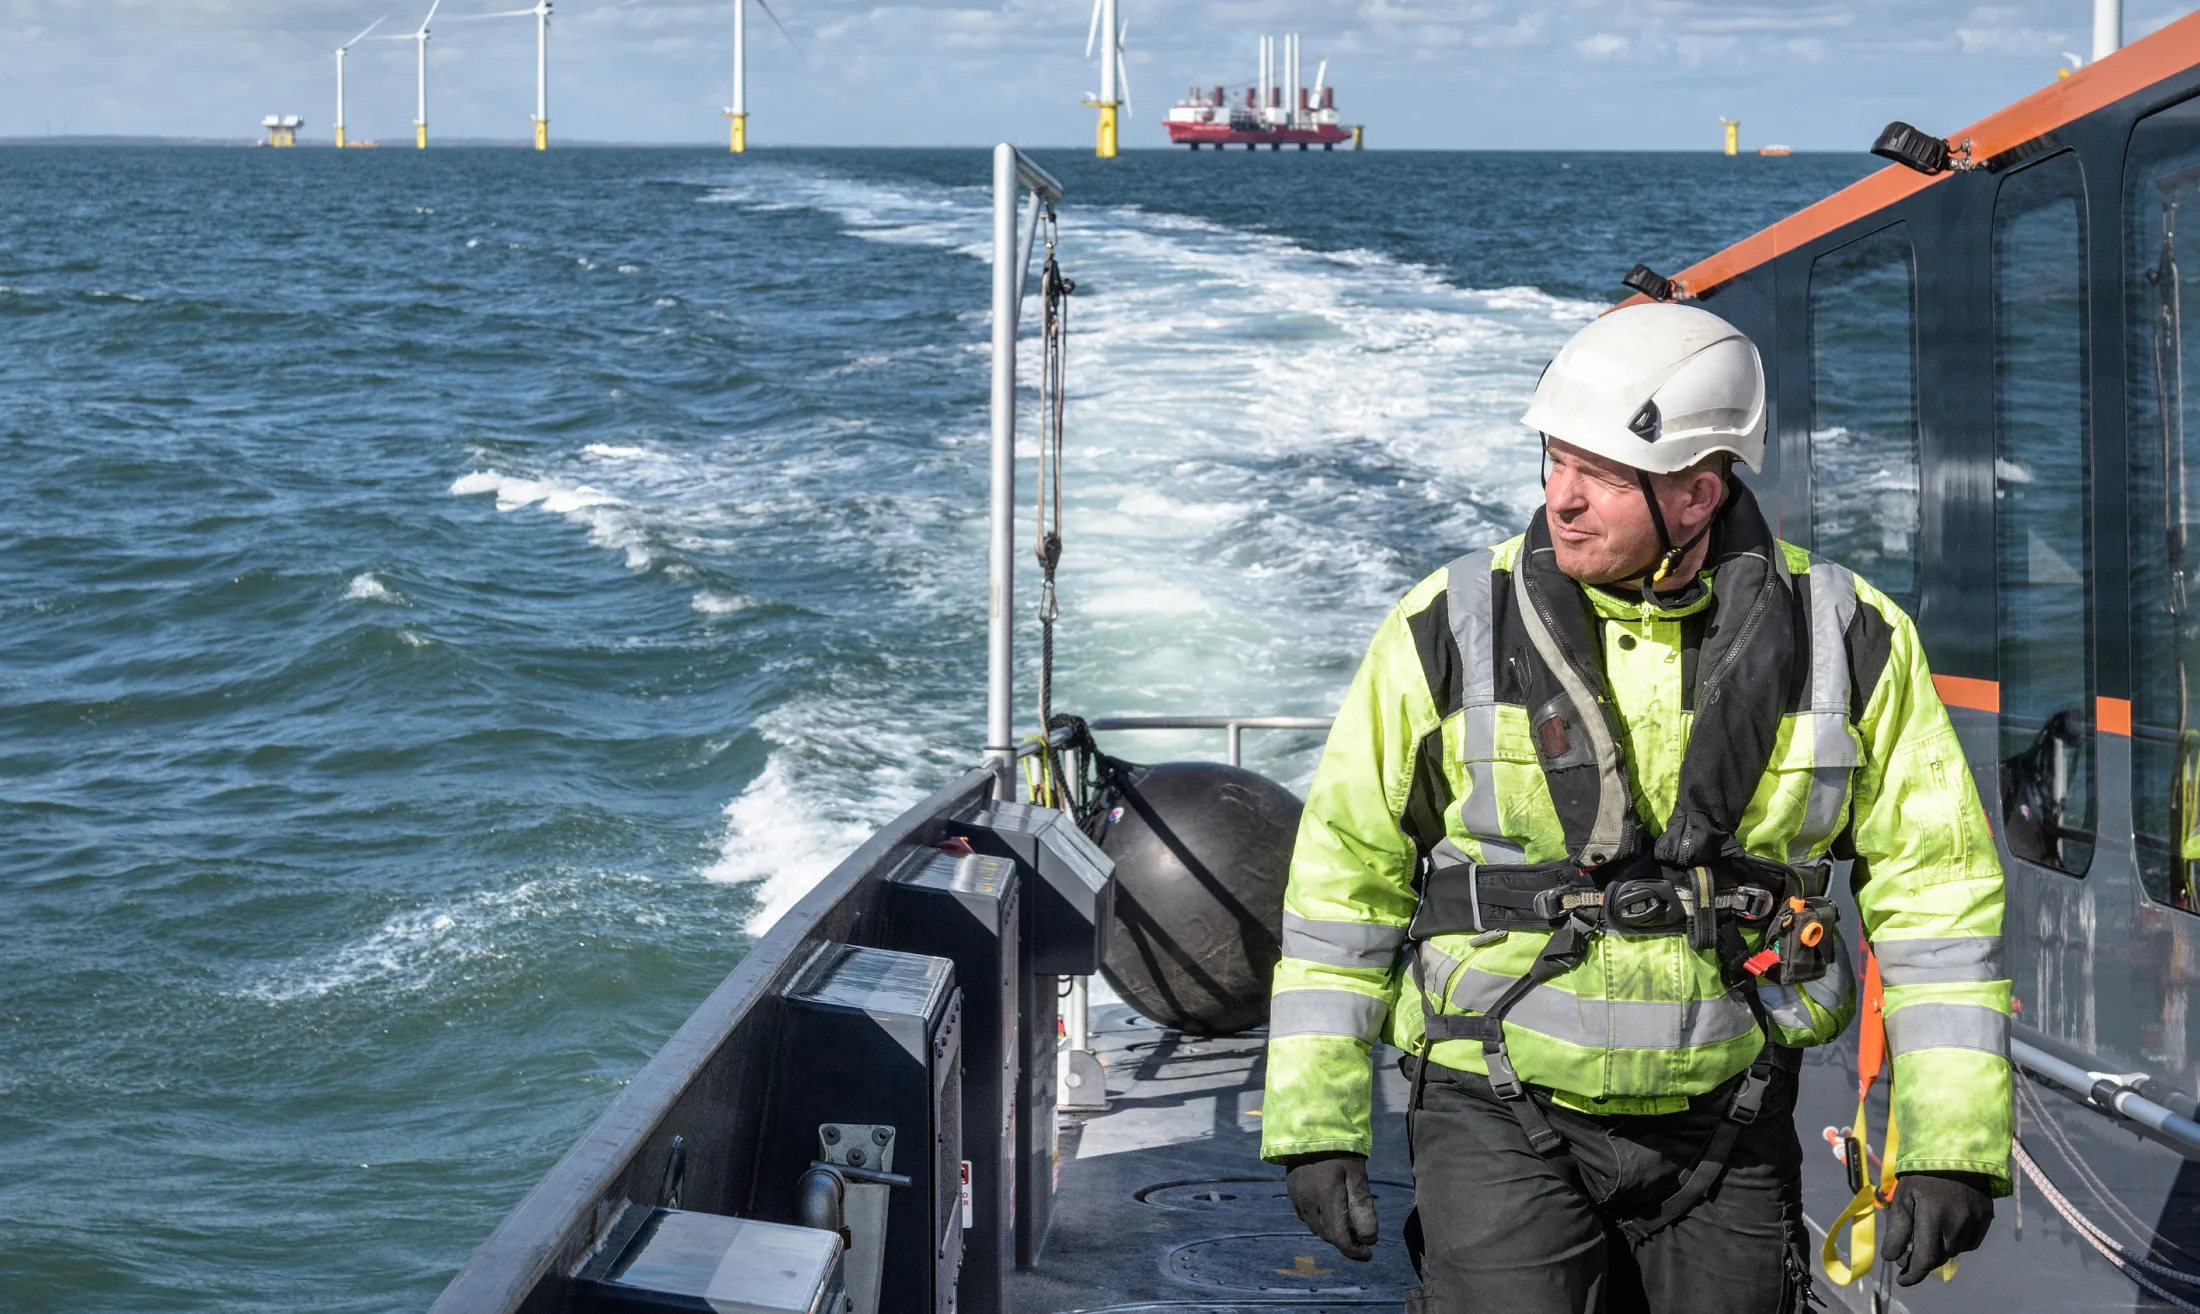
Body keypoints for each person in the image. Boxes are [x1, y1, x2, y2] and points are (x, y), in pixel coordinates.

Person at [1258, 302, 2010, 1313]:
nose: (1558, 499)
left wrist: (1950, 1147)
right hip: (1494, 1104)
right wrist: (1316, 1124)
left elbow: (1940, 901)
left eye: (1597, 475)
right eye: (1552, 462)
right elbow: (1344, 882)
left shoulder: (1849, 637)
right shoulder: (1446, 625)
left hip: (1730, 1117)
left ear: (1699, 493)